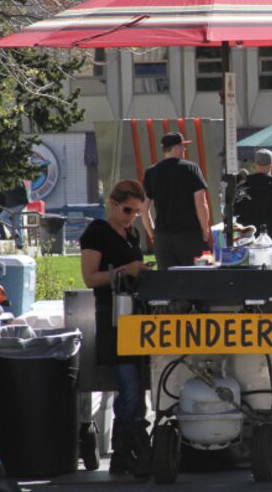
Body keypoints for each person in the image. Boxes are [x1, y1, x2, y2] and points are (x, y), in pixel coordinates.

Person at [80, 179, 153, 477]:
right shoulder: (97, 232)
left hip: (134, 317)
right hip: (112, 317)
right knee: (130, 387)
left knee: (135, 387)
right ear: (112, 203)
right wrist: (125, 270)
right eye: (127, 210)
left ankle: (125, 454)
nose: (131, 217)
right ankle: (137, 449)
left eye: (136, 212)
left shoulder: (130, 233)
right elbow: (89, 278)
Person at [141, 132, 210, 270]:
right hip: (189, 235)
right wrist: (205, 229)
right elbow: (201, 204)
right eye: (183, 146)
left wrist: (152, 234)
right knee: (193, 281)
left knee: (168, 284)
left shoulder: (151, 172)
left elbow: (144, 209)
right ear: (176, 148)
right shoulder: (191, 168)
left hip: (163, 237)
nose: (185, 150)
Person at [0, 181, 29, 249]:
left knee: (2, 216)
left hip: (15, 204)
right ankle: (20, 244)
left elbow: (9, 191)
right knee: (17, 223)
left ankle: (14, 233)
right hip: (21, 203)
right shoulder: (18, 180)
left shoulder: (11, 180)